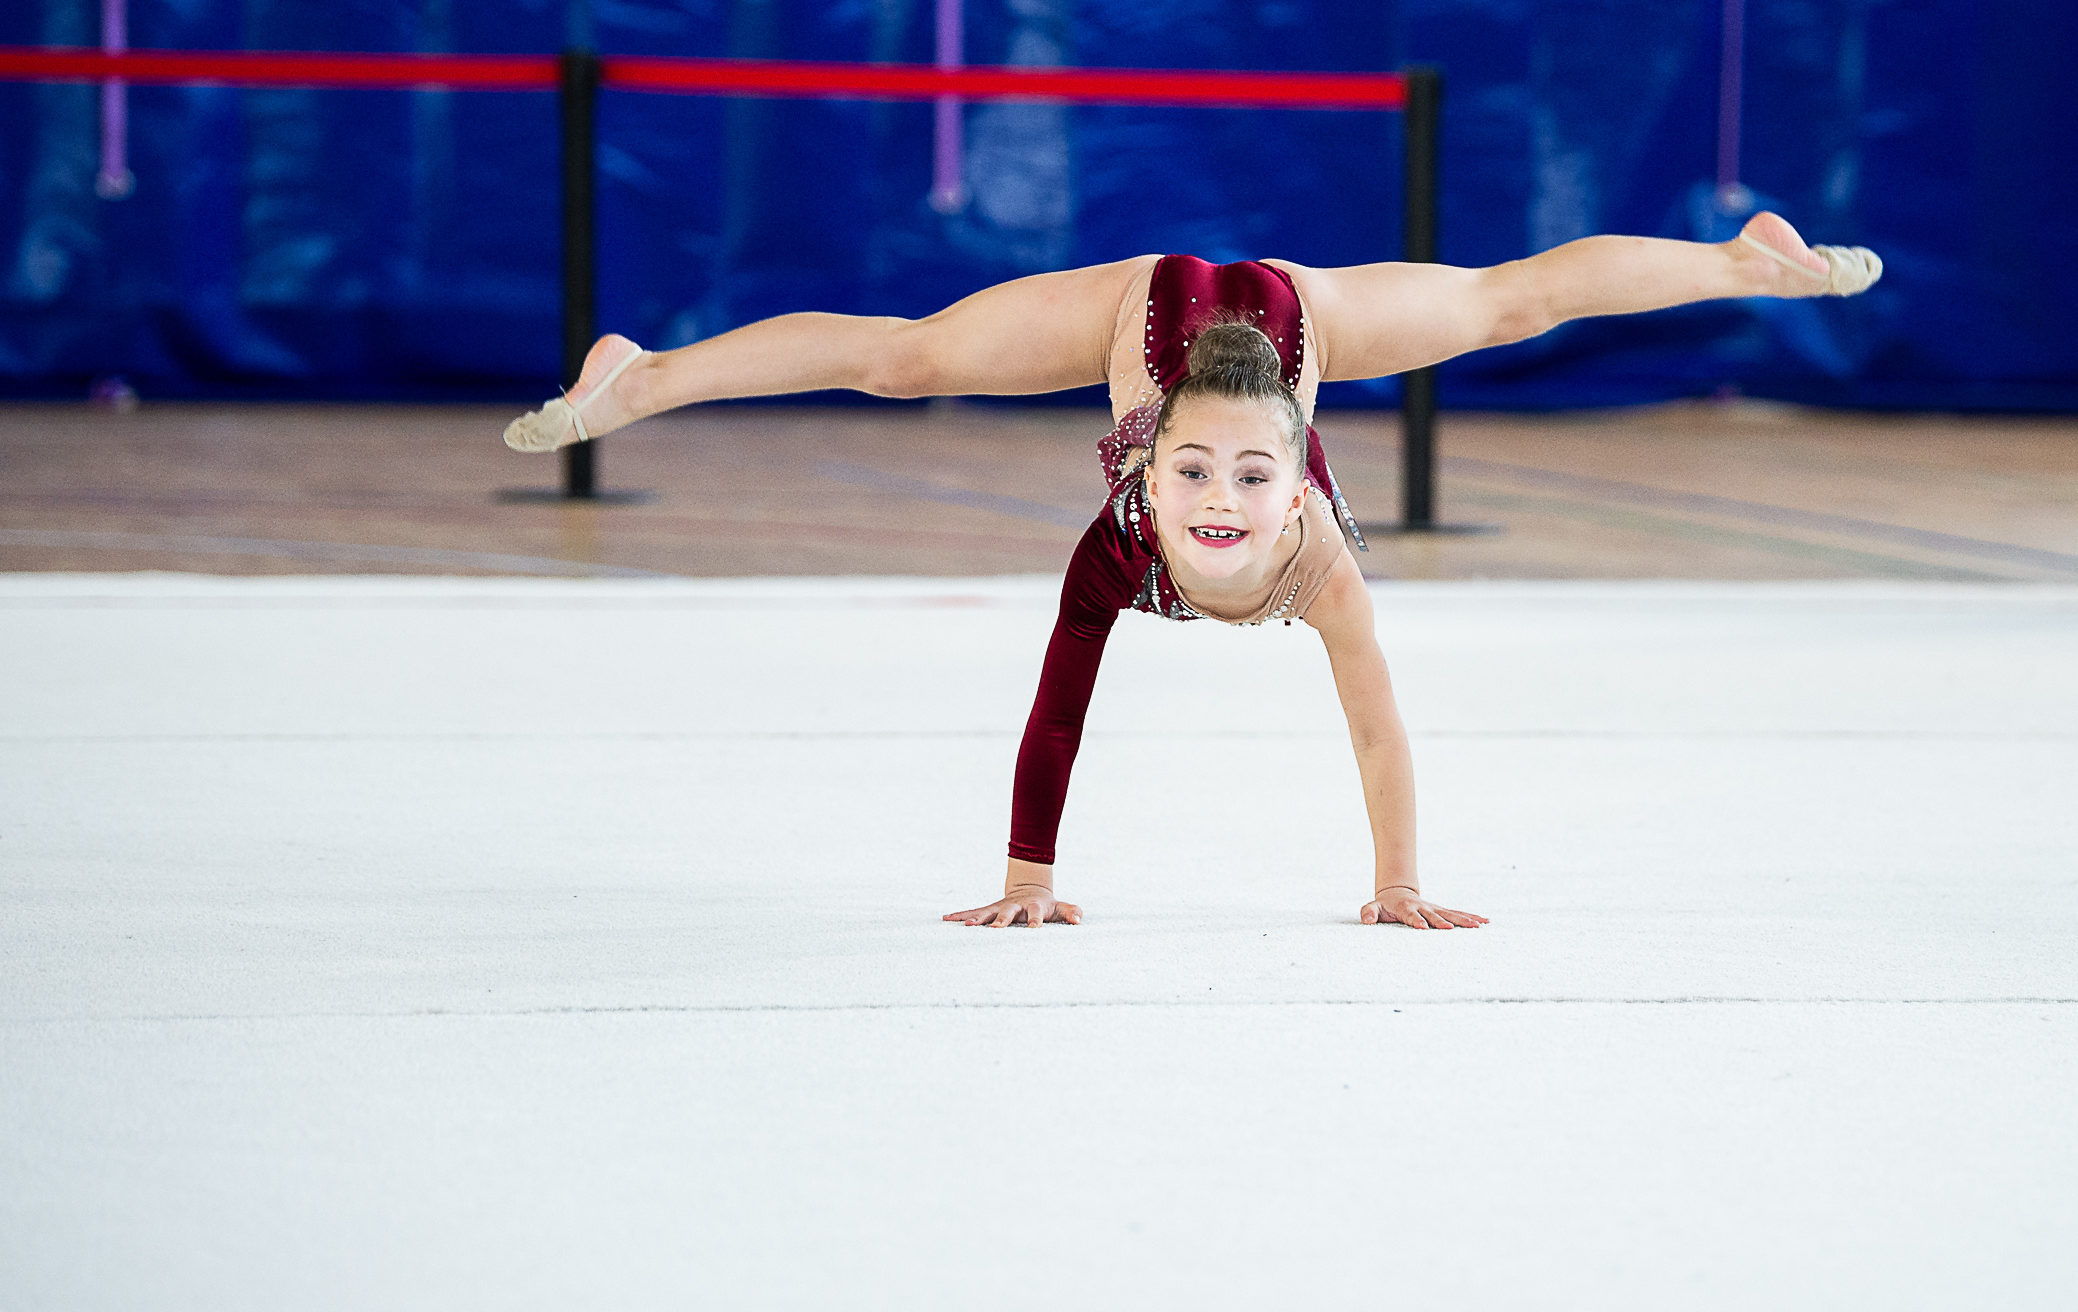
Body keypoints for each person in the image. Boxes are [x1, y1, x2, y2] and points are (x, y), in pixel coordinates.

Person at [504, 213, 1880, 930]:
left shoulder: (1315, 556)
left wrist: (1398, 883)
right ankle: (646, 376)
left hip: (1293, 324)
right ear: (1145, 467)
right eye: (1195, 481)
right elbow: (1059, 700)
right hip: (1146, 309)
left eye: (1244, 485)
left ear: (1300, 481)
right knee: (903, 359)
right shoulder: (1123, 542)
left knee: (1509, 301)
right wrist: (1025, 873)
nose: (1217, 508)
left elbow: (1375, 719)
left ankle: (1744, 262)